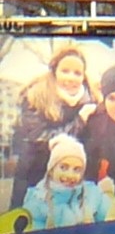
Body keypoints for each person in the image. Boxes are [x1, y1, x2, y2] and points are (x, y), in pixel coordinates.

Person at [12, 41, 93, 195]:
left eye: (77, 73)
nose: (71, 78)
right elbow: (39, 137)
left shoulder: (91, 101)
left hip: (72, 177)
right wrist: (80, 121)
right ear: (55, 71)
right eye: (65, 71)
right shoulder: (36, 97)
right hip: (35, 174)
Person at [22, 134, 108, 231]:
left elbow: (109, 225)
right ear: (51, 169)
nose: (70, 175)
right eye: (63, 167)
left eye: (77, 170)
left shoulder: (93, 194)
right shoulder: (37, 200)